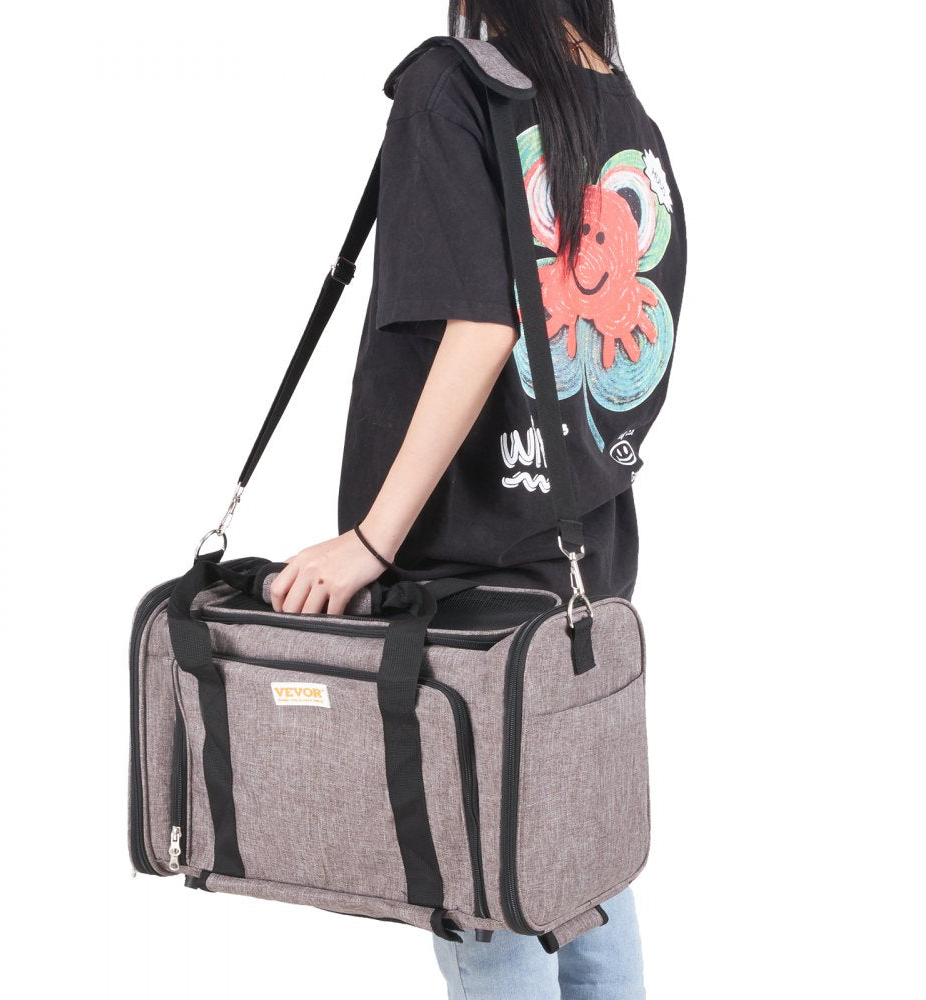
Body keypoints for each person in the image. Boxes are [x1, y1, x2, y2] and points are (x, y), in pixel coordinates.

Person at [268, 2, 686, 997]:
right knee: (581, 875)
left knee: (489, 908)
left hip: (466, 597)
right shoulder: (620, 107)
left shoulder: (450, 86)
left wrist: (372, 541)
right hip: (580, 579)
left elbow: (484, 327)